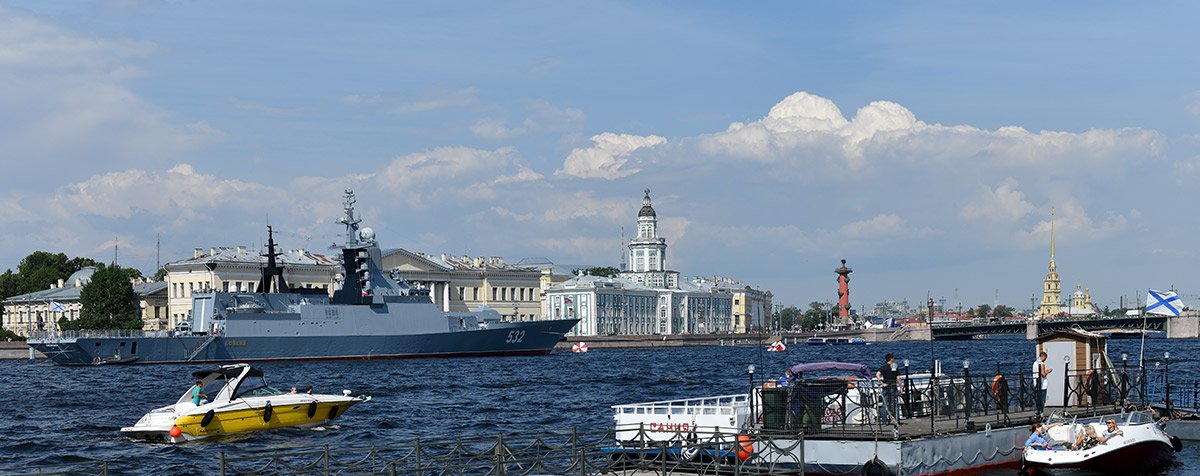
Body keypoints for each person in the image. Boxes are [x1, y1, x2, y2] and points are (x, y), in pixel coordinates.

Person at [877, 353, 901, 424]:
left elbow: (877, 374)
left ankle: (885, 421)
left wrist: (882, 383)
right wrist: (901, 387)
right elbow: (898, 378)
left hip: (885, 386)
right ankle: (896, 420)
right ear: (891, 359)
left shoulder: (883, 367)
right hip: (893, 386)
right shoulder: (895, 367)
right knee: (895, 403)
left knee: (884, 404)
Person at [1032, 351, 1051, 416]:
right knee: (1042, 399)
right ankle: (1041, 412)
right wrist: (1048, 371)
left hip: (1035, 383)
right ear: (1043, 356)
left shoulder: (1035, 363)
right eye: (1045, 358)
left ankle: (1036, 411)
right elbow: (1043, 374)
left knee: (1036, 398)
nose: (1045, 359)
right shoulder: (1042, 364)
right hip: (1042, 384)